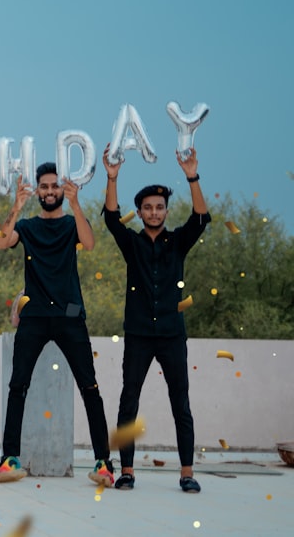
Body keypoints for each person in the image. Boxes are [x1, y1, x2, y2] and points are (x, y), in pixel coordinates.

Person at [0, 162, 114, 486]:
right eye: (44, 187)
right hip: (33, 317)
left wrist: (76, 204)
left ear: (62, 190)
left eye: (54, 187)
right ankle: (9, 459)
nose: (49, 192)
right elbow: (2, 242)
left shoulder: (71, 223)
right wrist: (17, 206)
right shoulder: (30, 226)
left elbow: (89, 244)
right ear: (38, 190)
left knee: (90, 388)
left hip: (70, 317)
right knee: (17, 386)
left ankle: (104, 463)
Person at [102, 146, 210, 493]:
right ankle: (127, 471)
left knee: (181, 401)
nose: (153, 212)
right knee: (128, 400)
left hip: (171, 334)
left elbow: (200, 218)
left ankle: (187, 473)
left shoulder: (178, 242)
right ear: (140, 211)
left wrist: (191, 175)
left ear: (165, 210)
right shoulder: (131, 244)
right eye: (147, 207)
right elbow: (109, 216)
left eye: (159, 207)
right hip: (137, 334)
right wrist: (112, 176)